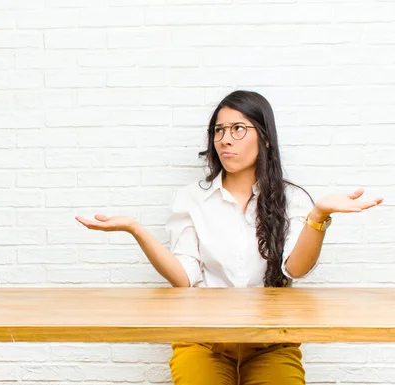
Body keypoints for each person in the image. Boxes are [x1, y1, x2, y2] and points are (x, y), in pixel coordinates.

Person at [75, 90, 383, 384]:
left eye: (238, 129)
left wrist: (318, 217)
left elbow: (295, 269)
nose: (225, 140)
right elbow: (183, 278)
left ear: (264, 137)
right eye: (219, 131)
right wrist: (136, 229)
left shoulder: (292, 198)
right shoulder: (191, 198)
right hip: (203, 340)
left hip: (271, 343)